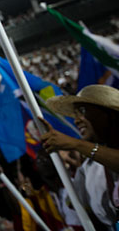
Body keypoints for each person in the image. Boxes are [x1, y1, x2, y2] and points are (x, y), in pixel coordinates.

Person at [41, 84, 119, 230]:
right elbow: (84, 213)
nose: (76, 120)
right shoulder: (88, 169)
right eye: (75, 114)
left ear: (108, 113)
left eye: (82, 111)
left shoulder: (87, 152)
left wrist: (76, 144)